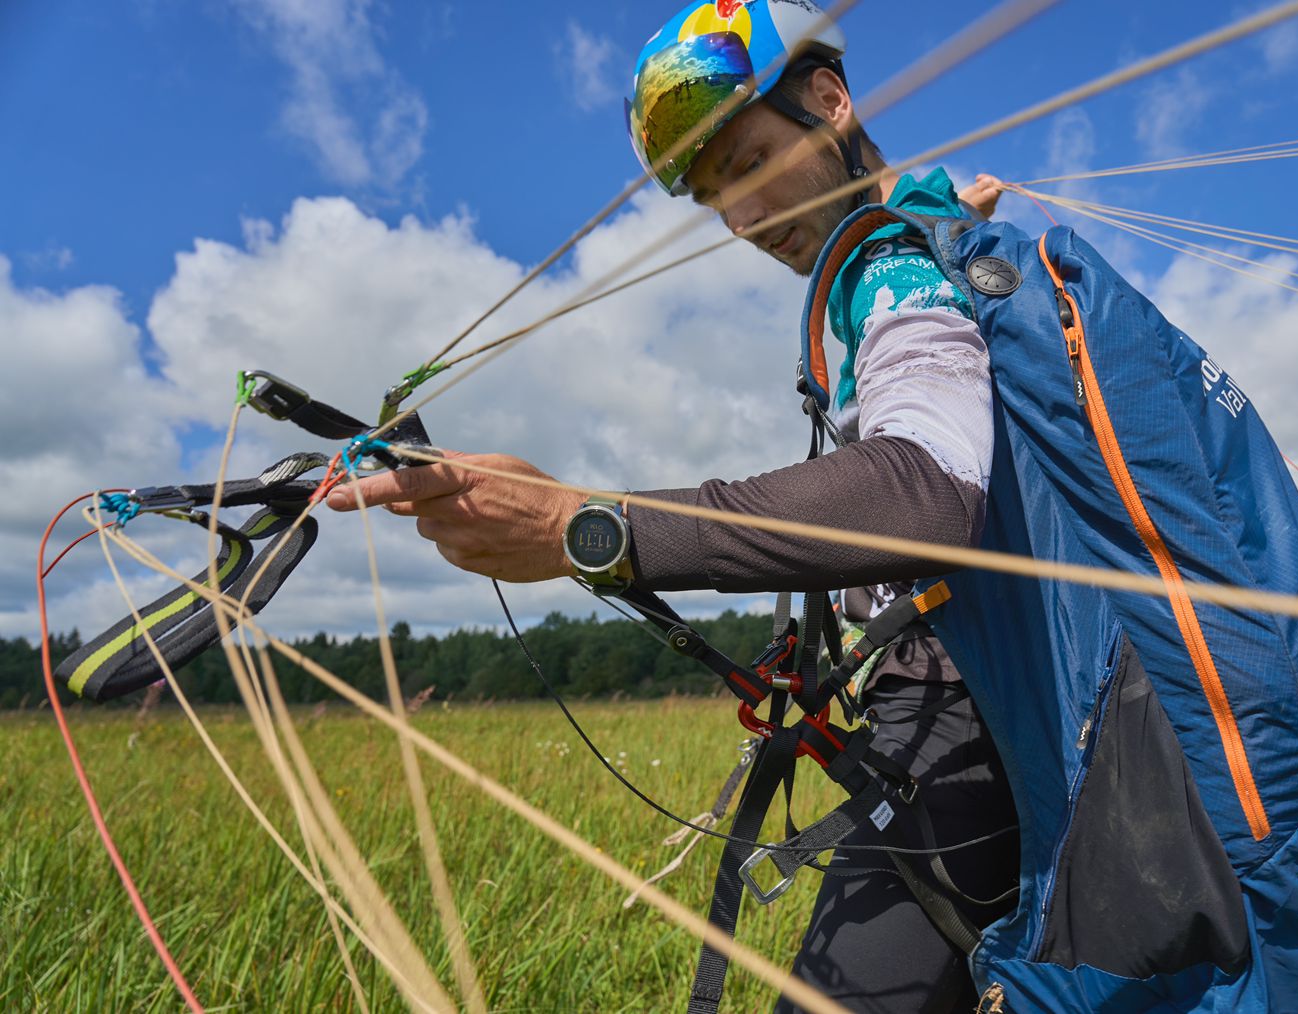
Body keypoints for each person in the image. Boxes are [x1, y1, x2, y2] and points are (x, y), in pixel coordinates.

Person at [329, 2, 1023, 1010]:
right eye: (712, 197)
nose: (739, 220)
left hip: (967, 728)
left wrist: (586, 527)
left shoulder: (893, 271)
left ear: (828, 101)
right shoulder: (926, 242)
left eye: (745, 162)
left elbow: (927, 490)